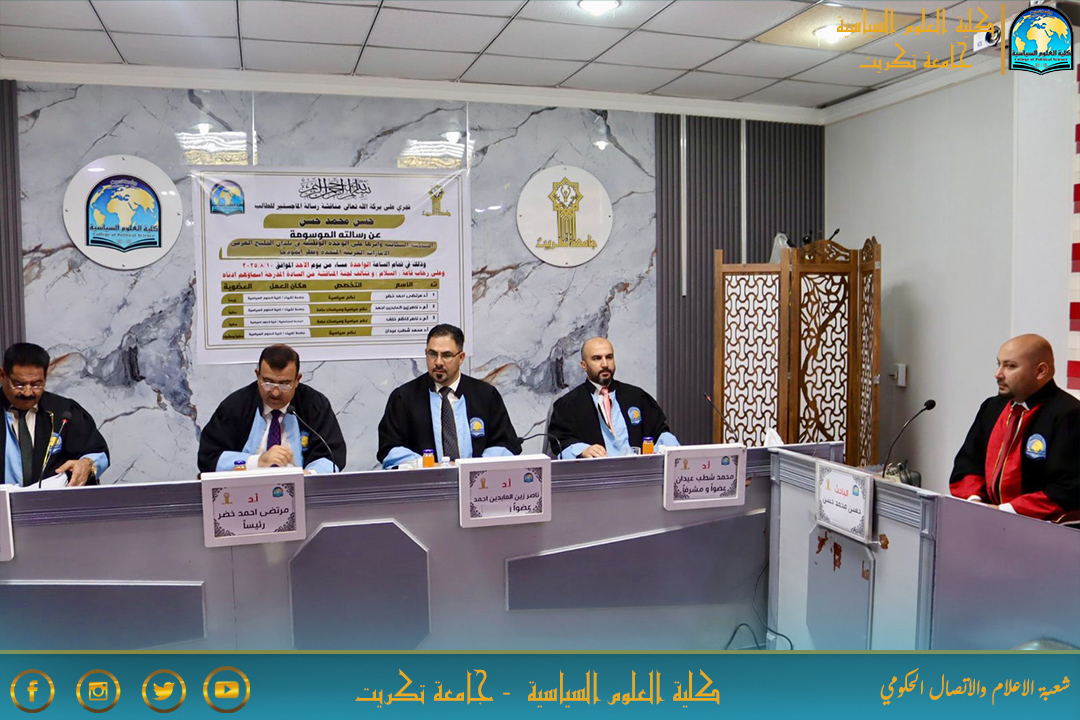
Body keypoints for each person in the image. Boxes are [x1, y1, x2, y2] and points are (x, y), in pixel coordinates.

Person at [950, 334, 1079, 522]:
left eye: (1010, 366)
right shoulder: (992, 407)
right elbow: (968, 462)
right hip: (985, 519)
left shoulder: (1069, 415)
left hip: (1040, 527)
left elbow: (1069, 487)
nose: (998, 374)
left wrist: (1005, 511)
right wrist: (974, 501)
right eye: (999, 364)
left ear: (1040, 371)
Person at [377, 324, 521, 468]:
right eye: (432, 354)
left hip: (477, 479)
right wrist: (428, 466)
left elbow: (505, 444)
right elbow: (390, 448)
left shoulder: (485, 395)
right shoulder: (404, 398)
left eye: (446, 355)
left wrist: (472, 467)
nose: (438, 362)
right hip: (424, 480)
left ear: (461, 358)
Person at [198, 344, 346, 474]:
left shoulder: (314, 405)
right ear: (258, 375)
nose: (275, 392)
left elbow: (332, 455)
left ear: (297, 380)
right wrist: (257, 462)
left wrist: (310, 475)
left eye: (284, 384)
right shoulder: (236, 406)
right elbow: (209, 458)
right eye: (268, 382)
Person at [547, 337, 679, 459]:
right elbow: (560, 442)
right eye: (597, 358)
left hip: (639, 471)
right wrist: (583, 450)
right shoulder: (568, 405)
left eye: (609, 357)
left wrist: (671, 448)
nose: (605, 364)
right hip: (596, 473)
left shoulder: (637, 396)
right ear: (584, 365)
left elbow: (659, 432)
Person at [1, 342, 109, 486]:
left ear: (45, 378)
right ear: (2, 375)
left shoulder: (64, 411)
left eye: (36, 384)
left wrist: (87, 464)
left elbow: (97, 451)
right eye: (19, 384)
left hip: (54, 498)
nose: (27, 393)